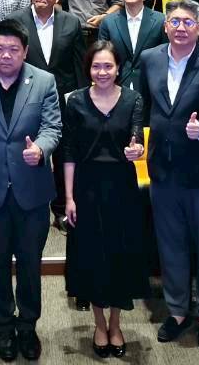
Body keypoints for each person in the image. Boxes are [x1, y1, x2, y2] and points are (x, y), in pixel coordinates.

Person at [0, 17, 62, 362]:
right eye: (0, 48)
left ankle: (28, 326)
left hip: (32, 191)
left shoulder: (44, 81)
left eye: (13, 49)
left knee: (31, 265)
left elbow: (53, 127)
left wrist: (41, 149)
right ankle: (3, 326)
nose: (6, 55)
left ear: (25, 51)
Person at [138, 0, 199, 351]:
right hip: (163, 171)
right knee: (171, 246)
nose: (181, 28)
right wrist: (135, 140)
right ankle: (178, 311)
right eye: (175, 22)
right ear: (165, 26)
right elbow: (142, 108)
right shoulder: (149, 58)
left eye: (188, 22)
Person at [62, 43, 147, 356]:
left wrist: (137, 151)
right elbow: (69, 152)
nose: (102, 72)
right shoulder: (75, 101)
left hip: (122, 188)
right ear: (88, 68)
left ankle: (116, 322)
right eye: (96, 66)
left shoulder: (133, 99)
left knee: (120, 256)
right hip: (86, 189)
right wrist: (69, 197)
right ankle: (99, 324)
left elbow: (136, 137)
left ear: (118, 68)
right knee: (92, 257)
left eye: (108, 66)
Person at [17, 0, 86, 228]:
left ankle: (60, 209)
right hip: (27, 97)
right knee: (30, 151)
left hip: (62, 98)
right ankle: (30, 205)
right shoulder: (16, 21)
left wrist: (80, 98)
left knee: (61, 152)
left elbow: (79, 64)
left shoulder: (71, 22)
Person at [97, 0, 166, 92]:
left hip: (152, 87)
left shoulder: (161, 20)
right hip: (117, 87)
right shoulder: (108, 22)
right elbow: (103, 58)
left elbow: (166, 57)